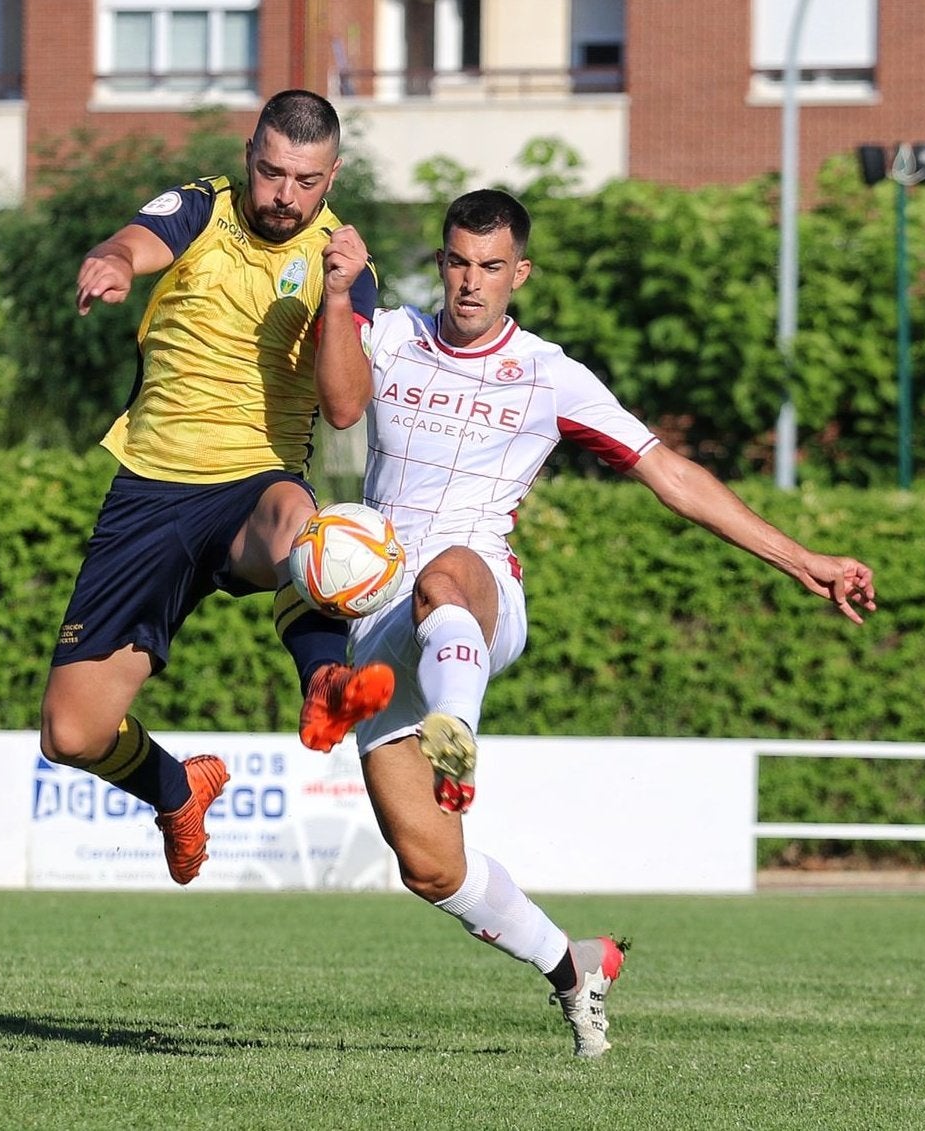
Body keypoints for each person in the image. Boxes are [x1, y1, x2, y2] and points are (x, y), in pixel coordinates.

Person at [350, 189, 880, 1058]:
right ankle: (575, 963)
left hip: (478, 599)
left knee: (446, 575)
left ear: (520, 273)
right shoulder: (391, 335)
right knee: (431, 865)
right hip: (377, 621)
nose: (472, 282)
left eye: (492, 266)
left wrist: (802, 558)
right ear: (439, 264)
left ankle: (458, 734)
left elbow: (671, 473)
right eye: (457, 262)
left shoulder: (550, 373)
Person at [39, 89, 396, 886]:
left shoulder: (345, 263)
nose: (284, 196)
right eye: (271, 173)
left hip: (254, 485)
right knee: (71, 731)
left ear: (332, 175)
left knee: (308, 530)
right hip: (149, 492)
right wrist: (111, 262)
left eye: (305, 181)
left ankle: (325, 684)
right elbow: (135, 241)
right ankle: (178, 789)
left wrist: (338, 297)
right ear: (250, 157)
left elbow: (345, 407)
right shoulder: (203, 210)